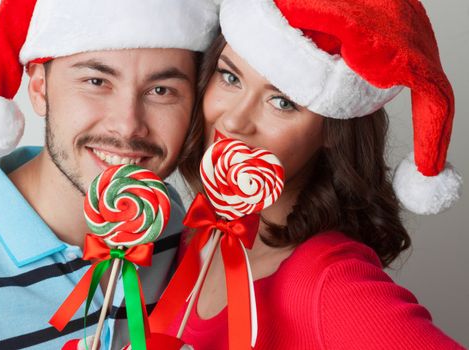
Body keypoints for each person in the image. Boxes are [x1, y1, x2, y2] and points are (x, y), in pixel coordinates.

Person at [150, 0, 465, 349]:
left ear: (332, 132)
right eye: (230, 77)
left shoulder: (328, 281)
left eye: (282, 102)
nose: (235, 120)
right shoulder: (198, 229)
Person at [0, 0, 218, 349]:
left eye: (160, 91)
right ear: (40, 88)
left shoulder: (189, 236)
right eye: (96, 81)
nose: (128, 125)